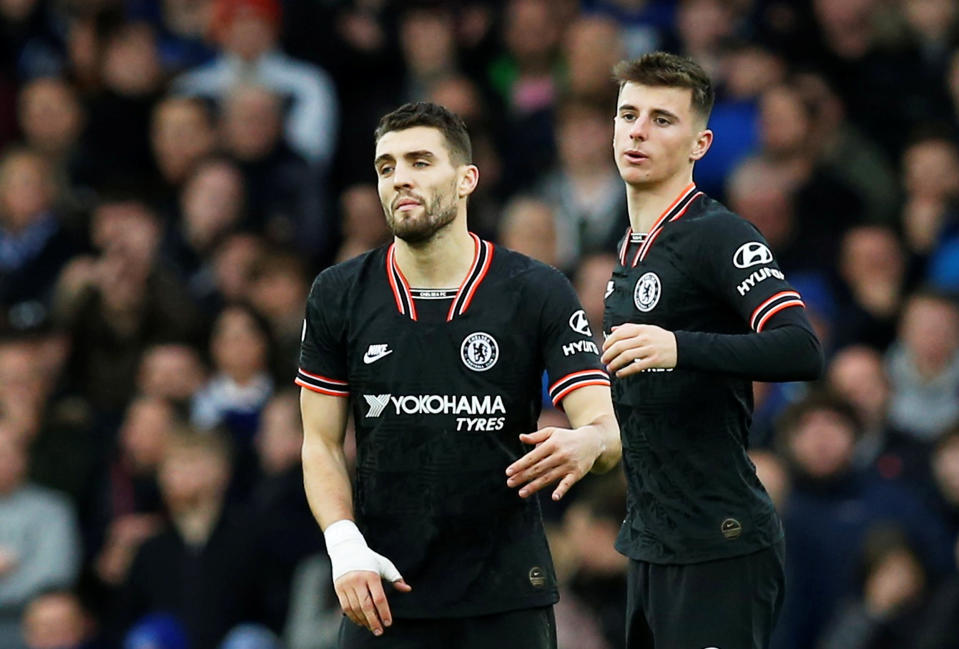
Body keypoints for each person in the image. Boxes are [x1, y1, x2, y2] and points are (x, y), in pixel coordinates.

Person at [298, 101, 620, 649]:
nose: (400, 178)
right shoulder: (338, 293)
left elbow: (605, 426)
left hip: (505, 595)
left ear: (467, 179)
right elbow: (321, 443)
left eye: (420, 162)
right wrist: (343, 543)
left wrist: (588, 442)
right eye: (386, 167)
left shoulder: (535, 289)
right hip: (383, 590)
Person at [599, 52, 823, 649]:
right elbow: (652, 400)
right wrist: (592, 437)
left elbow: (800, 348)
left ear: (701, 143)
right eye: (628, 114)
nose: (639, 131)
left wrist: (678, 345)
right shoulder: (628, 248)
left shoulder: (718, 234)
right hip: (651, 544)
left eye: (662, 119)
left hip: (719, 543)